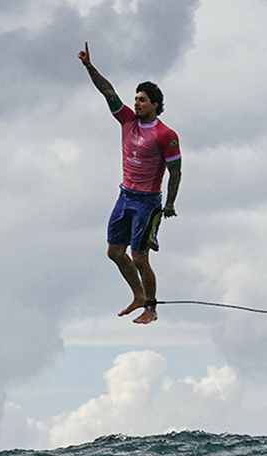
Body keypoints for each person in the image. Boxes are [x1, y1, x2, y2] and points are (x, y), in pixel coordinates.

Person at [78, 42, 182, 324]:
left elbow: (176, 171)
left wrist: (169, 204)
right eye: (136, 99)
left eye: (142, 100)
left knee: (139, 257)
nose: (136, 103)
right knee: (114, 251)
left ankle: (151, 307)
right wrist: (89, 66)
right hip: (125, 196)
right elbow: (108, 91)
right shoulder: (127, 120)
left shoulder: (165, 134)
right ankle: (137, 294)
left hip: (147, 203)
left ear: (155, 105)